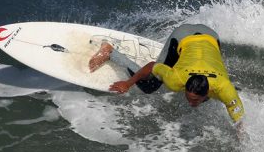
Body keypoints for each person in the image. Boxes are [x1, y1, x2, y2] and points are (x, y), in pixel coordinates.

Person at [89, 24, 245, 125]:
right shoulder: (176, 79)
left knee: (214, 100)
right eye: (189, 97)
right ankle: (110, 51)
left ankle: (179, 58)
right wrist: (128, 83)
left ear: (207, 92)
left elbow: (239, 121)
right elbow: (151, 67)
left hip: (212, 36)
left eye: (195, 99)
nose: (190, 102)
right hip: (182, 36)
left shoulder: (225, 88)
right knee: (149, 86)